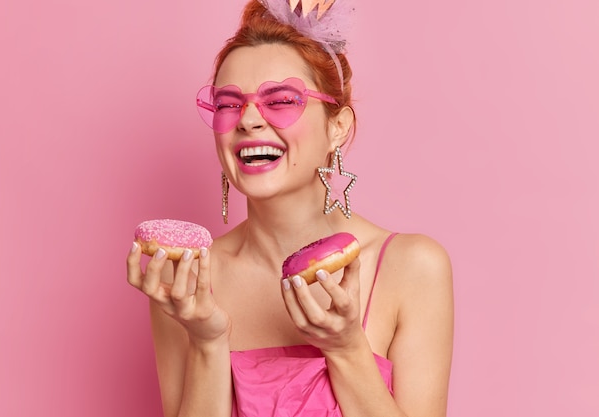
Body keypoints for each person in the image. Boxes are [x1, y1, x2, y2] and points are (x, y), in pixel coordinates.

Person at [127, 1, 454, 416]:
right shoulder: (185, 282)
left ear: (338, 127)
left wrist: (347, 348)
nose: (248, 120)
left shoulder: (412, 268)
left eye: (281, 100)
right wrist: (207, 340)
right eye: (228, 104)